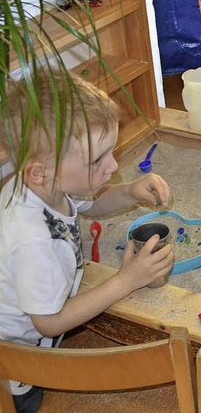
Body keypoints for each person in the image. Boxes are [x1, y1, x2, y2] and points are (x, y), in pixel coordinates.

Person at [0, 72, 175, 413]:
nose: (112, 165)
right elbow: (48, 322)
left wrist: (129, 192)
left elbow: (90, 203)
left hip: (38, 313)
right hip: (15, 359)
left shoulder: (46, 185)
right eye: (97, 159)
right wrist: (126, 280)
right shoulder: (32, 239)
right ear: (39, 172)